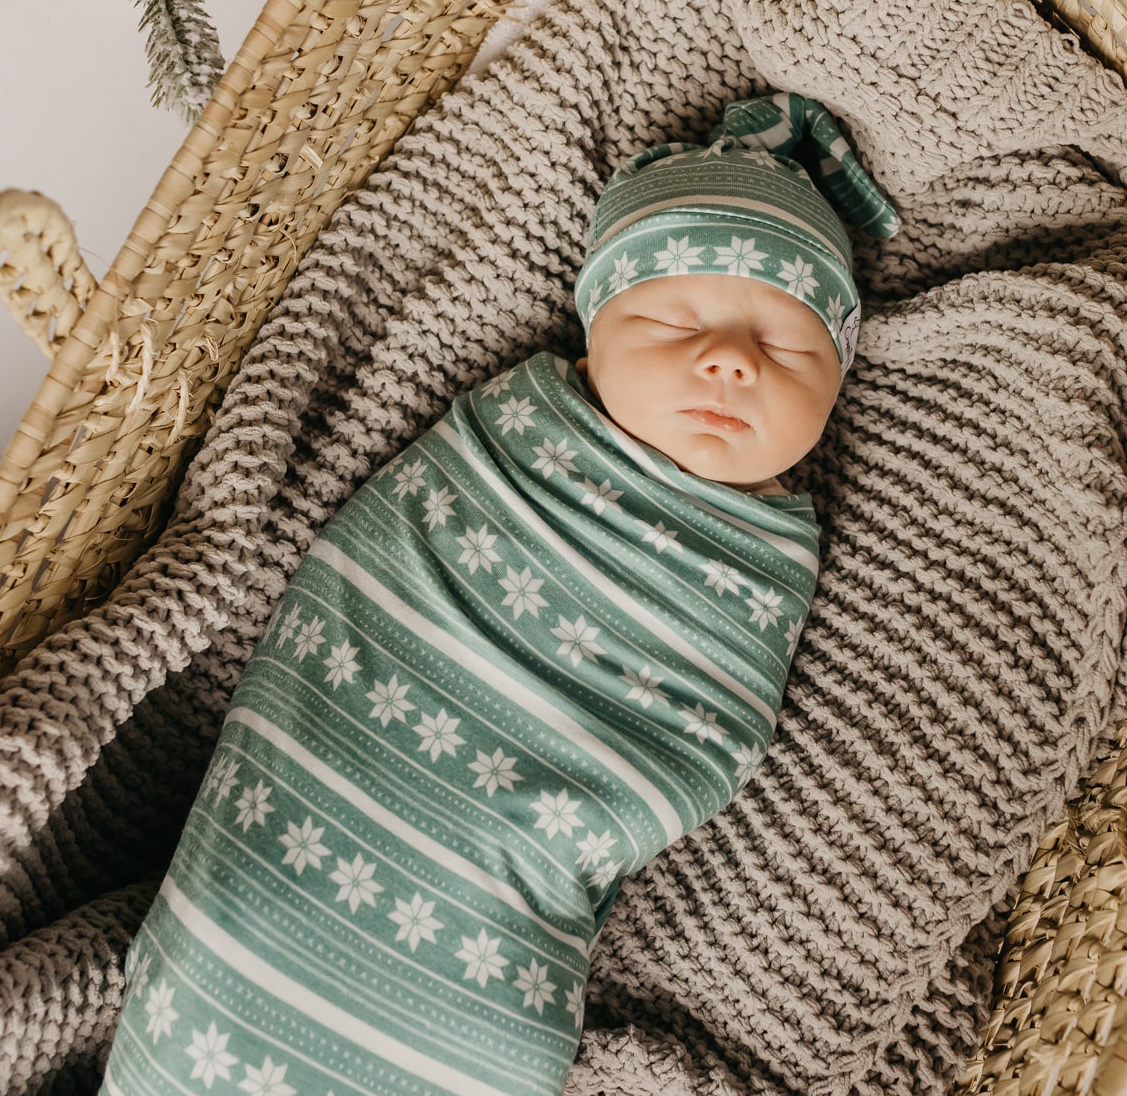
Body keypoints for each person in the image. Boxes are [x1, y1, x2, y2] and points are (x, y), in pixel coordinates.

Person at [99, 90, 900, 1096]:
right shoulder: (512, 442)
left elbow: (701, 732)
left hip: (491, 951)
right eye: (675, 320)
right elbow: (378, 569)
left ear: (837, 380)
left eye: (787, 347)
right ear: (594, 331)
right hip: (301, 832)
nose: (731, 360)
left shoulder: (765, 555)